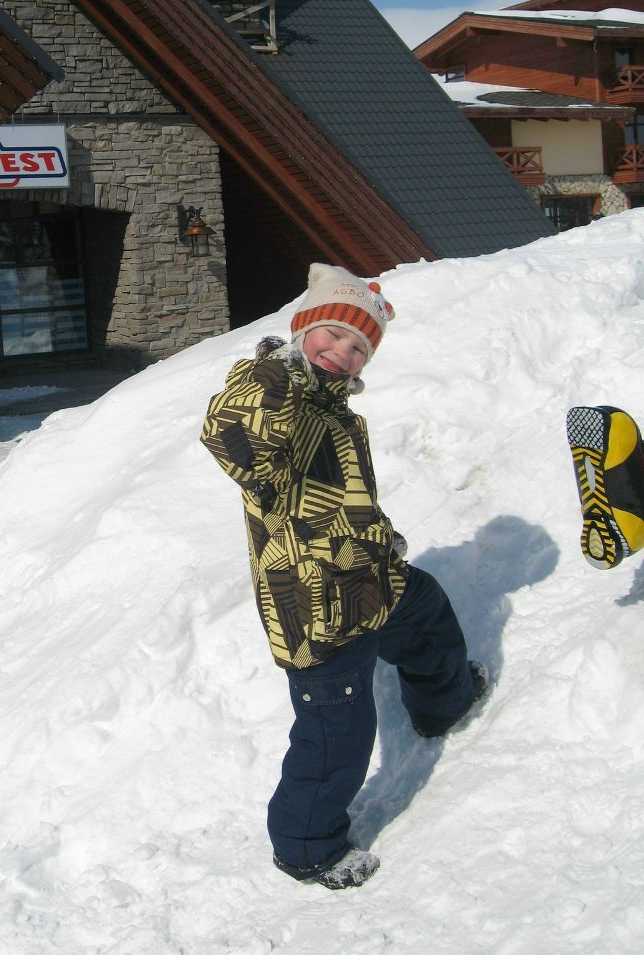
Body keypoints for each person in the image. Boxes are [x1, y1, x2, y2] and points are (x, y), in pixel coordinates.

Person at [200, 264, 487, 890]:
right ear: (302, 331)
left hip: (367, 577)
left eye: (359, 346)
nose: (343, 352)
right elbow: (231, 432)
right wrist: (276, 376)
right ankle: (307, 846)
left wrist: (381, 540)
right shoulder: (271, 394)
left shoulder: (335, 414)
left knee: (427, 609)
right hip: (314, 606)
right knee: (338, 735)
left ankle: (444, 705)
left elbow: (343, 498)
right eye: (331, 335)